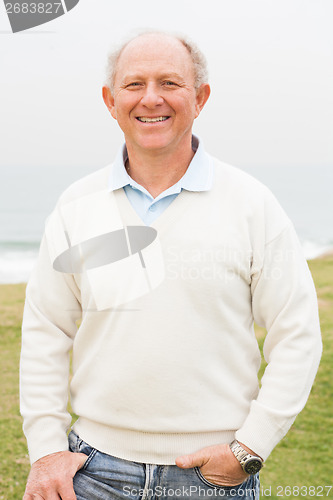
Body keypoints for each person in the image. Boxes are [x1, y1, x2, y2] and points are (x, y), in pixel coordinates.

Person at [21, 31, 322, 500]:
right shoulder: (75, 205)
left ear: (200, 98)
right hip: (94, 474)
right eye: (134, 84)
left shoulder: (251, 204)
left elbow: (298, 332)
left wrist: (249, 448)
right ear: (110, 100)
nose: (151, 98)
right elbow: (47, 331)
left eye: (170, 83)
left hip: (213, 477)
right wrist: (44, 451)